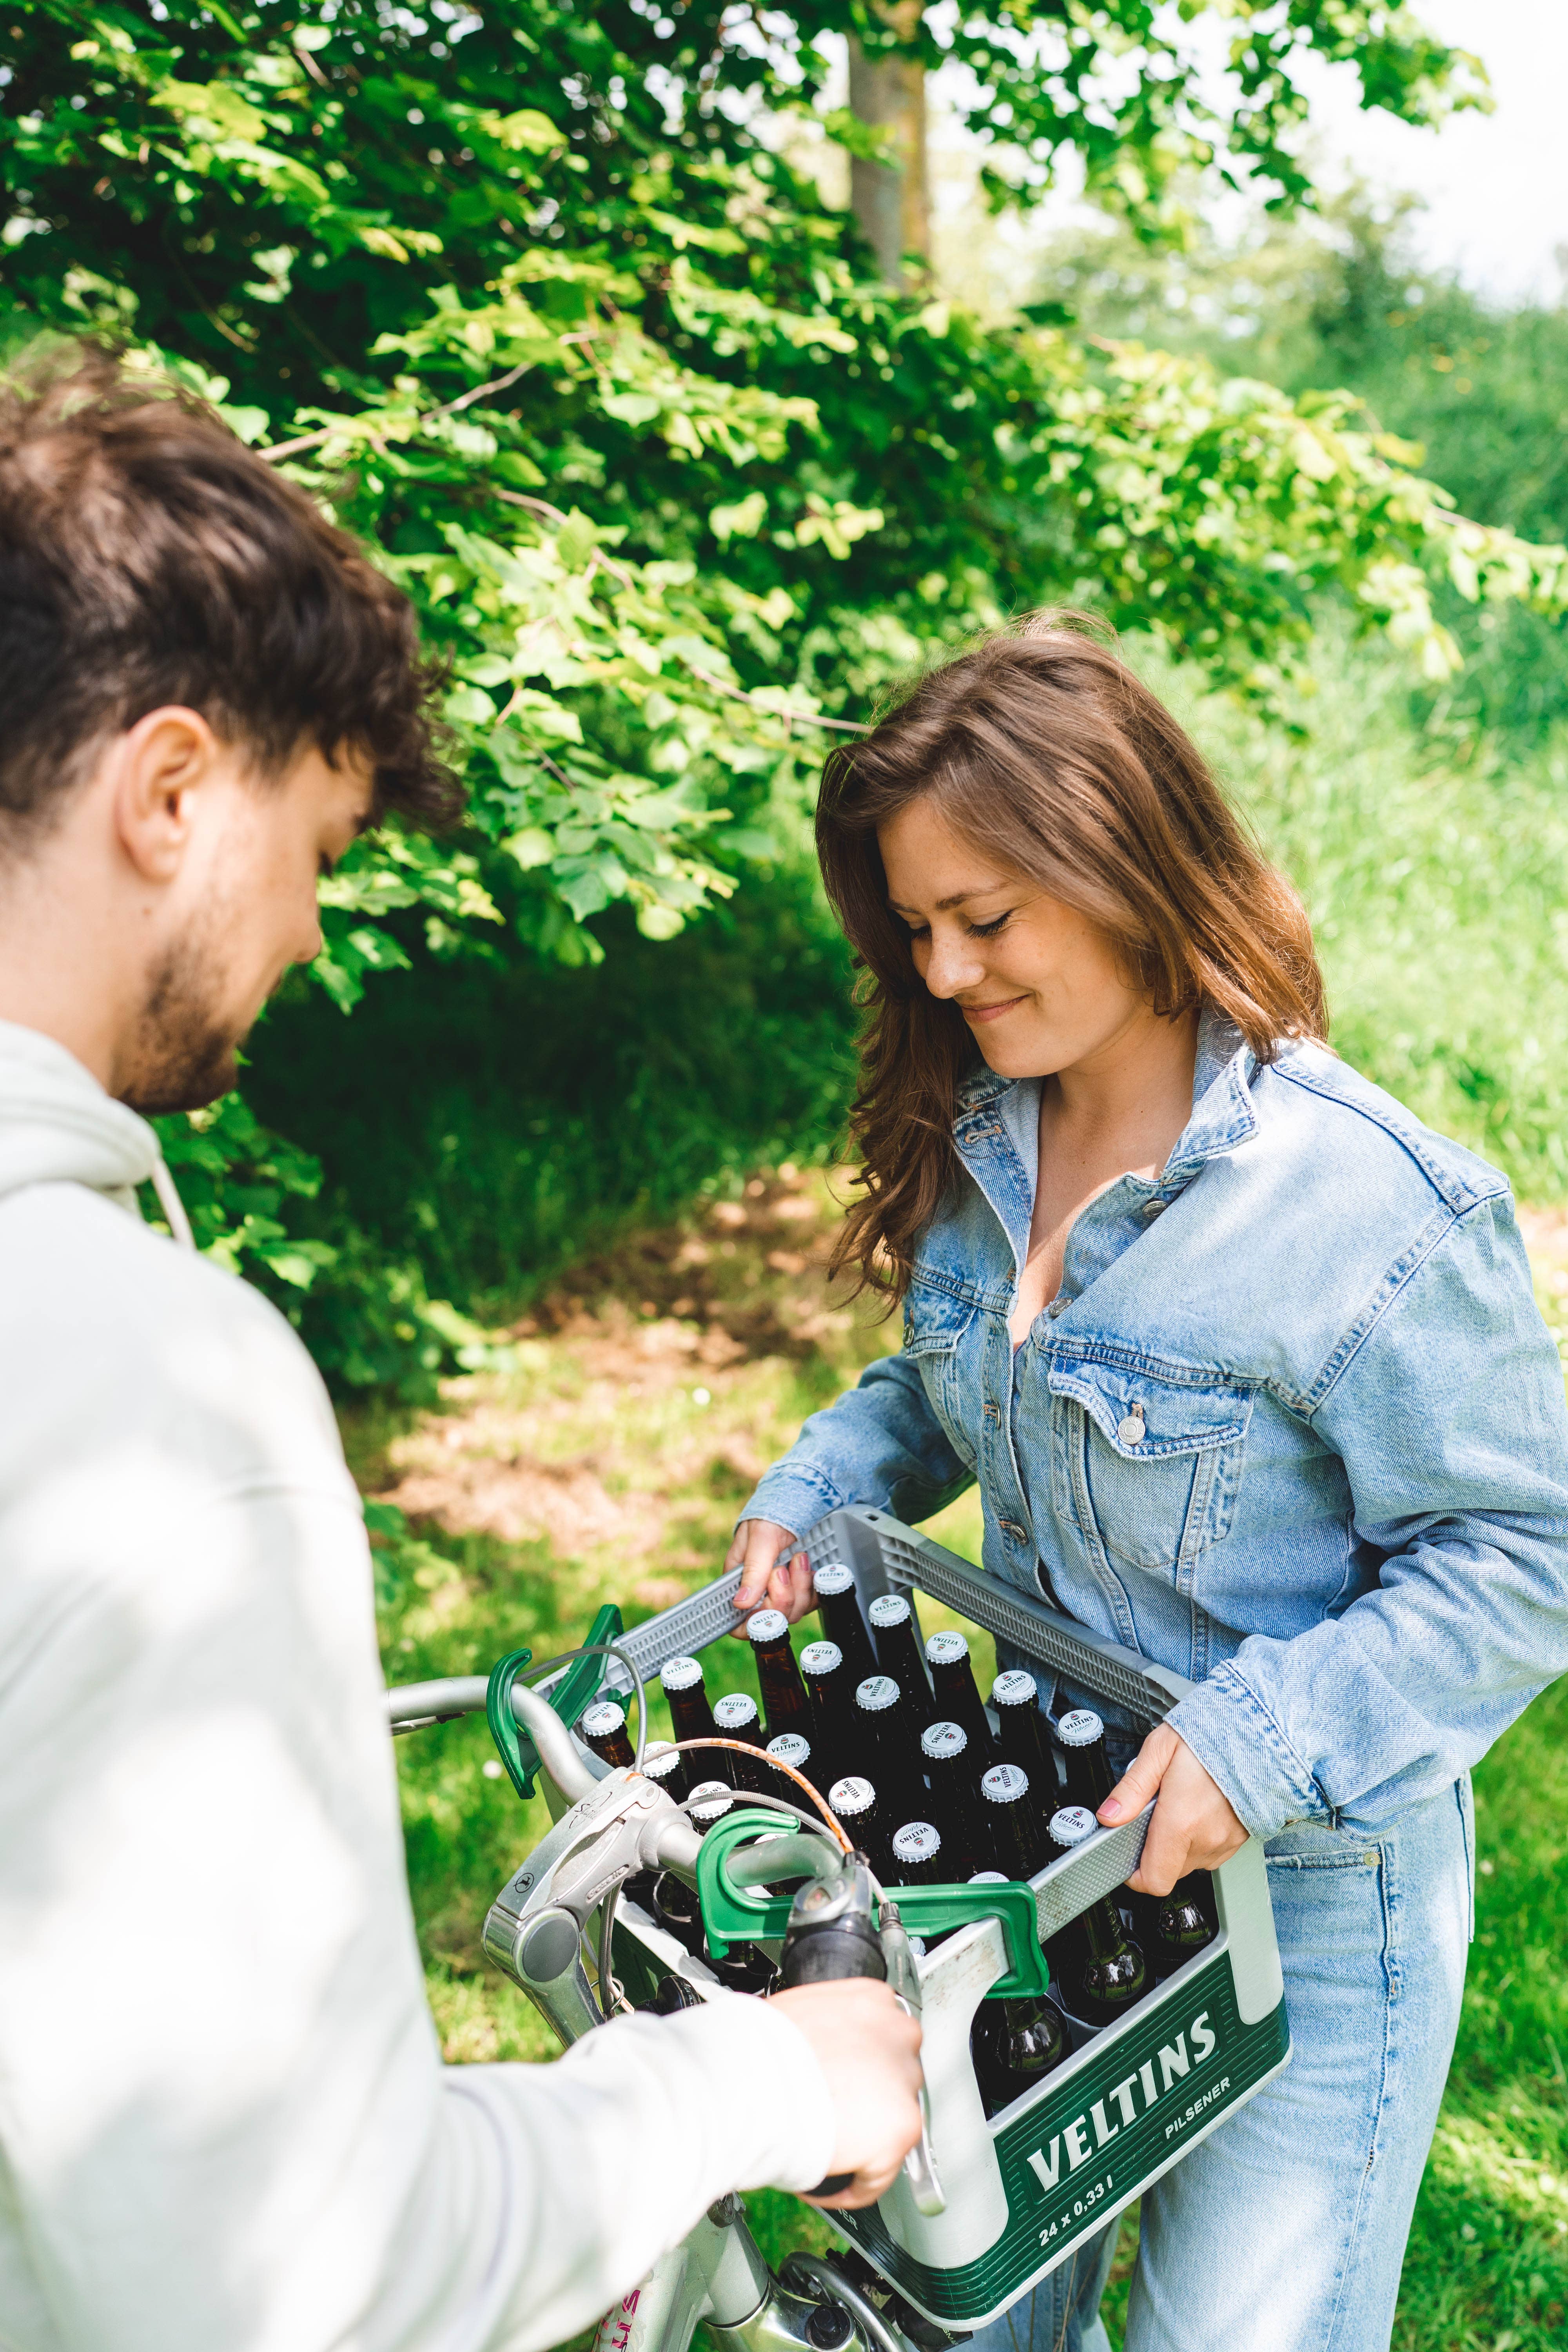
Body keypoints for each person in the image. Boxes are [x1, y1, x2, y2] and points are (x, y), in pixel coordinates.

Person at [0, 346, 922, 2352]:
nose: (315, 941)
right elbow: (278, 2283)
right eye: (315, 857)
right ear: (169, 792)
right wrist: (777, 2080)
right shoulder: (155, 1399)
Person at [726, 615, 1568, 2352]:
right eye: (915, 932)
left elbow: (1525, 1548)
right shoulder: (984, 1131)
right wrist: (832, 1474)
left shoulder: (1369, 1208)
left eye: (986, 920)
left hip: (1304, 1904)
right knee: (963, 2319)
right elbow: (972, 1386)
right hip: (1012, 1858)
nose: (945, 975)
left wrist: (1264, 1742)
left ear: (1117, 863)